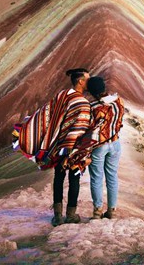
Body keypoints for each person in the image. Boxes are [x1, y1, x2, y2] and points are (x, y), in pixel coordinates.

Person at [50, 68, 91, 226]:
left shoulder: (61, 96)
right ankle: (71, 215)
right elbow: (83, 129)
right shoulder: (83, 102)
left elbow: (51, 117)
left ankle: (57, 216)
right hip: (74, 148)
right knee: (74, 180)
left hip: (58, 145)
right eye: (87, 79)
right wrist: (84, 153)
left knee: (58, 178)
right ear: (80, 81)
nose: (89, 82)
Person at [86, 76, 124, 220]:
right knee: (112, 176)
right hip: (115, 143)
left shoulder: (93, 107)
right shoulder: (118, 101)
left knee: (96, 177)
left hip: (99, 146)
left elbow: (89, 127)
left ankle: (97, 211)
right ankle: (112, 210)